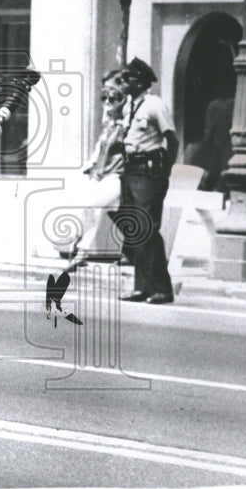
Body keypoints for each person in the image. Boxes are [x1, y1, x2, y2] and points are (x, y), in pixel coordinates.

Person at [118, 57, 179, 304]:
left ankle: (162, 289)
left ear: (141, 81)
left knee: (147, 228)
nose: (124, 83)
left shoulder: (154, 105)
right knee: (135, 229)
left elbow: (172, 139)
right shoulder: (130, 106)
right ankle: (142, 287)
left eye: (128, 79)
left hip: (149, 170)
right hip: (131, 169)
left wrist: (166, 170)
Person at [65, 69, 128, 268]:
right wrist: (90, 165)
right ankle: (78, 246)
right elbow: (101, 147)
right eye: (104, 96)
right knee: (87, 204)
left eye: (113, 96)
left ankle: (81, 251)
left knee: (93, 205)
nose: (107, 101)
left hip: (118, 175)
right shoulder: (109, 120)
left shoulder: (129, 119)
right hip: (101, 173)